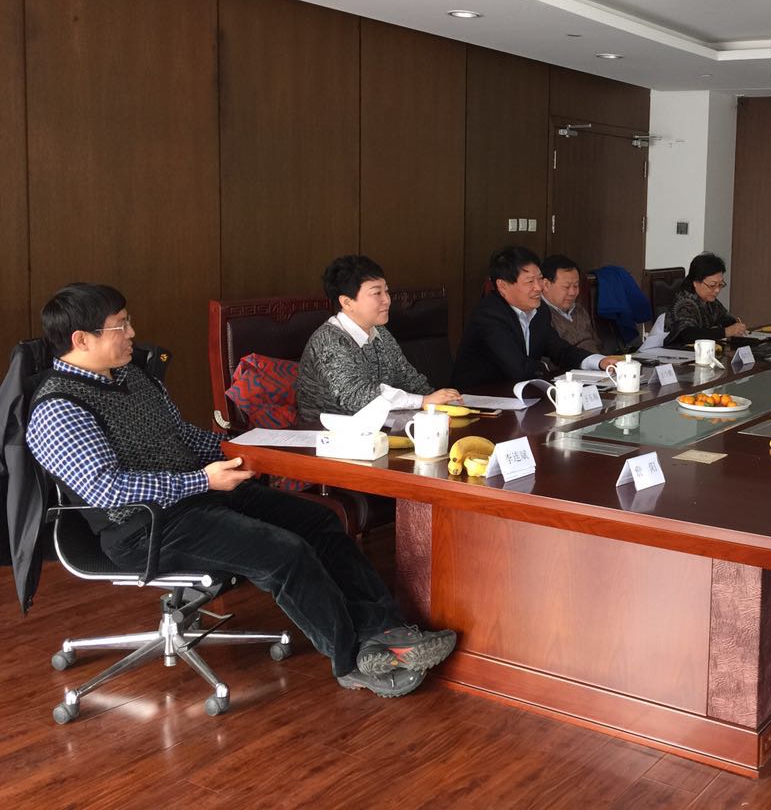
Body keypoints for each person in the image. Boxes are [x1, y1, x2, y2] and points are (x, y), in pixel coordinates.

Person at [26, 283, 456, 698]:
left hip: (201, 496)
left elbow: (182, 437)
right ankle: (352, 660)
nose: (132, 333)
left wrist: (249, 448)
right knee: (284, 552)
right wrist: (202, 480)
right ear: (81, 339)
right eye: (120, 325)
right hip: (145, 527)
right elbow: (106, 488)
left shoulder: (132, 377)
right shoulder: (58, 408)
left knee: (319, 521)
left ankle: (385, 631)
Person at [296, 255, 460, 421]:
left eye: (386, 291)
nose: (387, 300)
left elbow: (408, 378)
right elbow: (358, 397)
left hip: (378, 427)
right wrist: (423, 401)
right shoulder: (328, 341)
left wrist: (441, 402)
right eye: (376, 293)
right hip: (326, 432)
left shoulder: (380, 332)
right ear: (347, 302)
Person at [452, 246, 619, 389]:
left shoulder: (539, 311)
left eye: (539, 279)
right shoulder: (489, 315)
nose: (539, 288)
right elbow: (518, 368)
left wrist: (599, 362)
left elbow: (561, 350)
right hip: (478, 399)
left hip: (520, 395)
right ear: (503, 286)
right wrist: (550, 369)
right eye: (530, 282)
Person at [663, 252, 747, 346]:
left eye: (720, 284)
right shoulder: (683, 302)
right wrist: (725, 332)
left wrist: (736, 327)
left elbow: (725, 319)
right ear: (695, 282)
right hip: (678, 351)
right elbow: (687, 334)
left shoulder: (708, 300)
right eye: (712, 285)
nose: (717, 290)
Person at [540, 254, 603, 359]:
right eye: (566, 287)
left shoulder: (579, 310)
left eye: (576, 286)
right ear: (546, 285)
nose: (573, 292)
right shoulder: (539, 315)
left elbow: (597, 345)